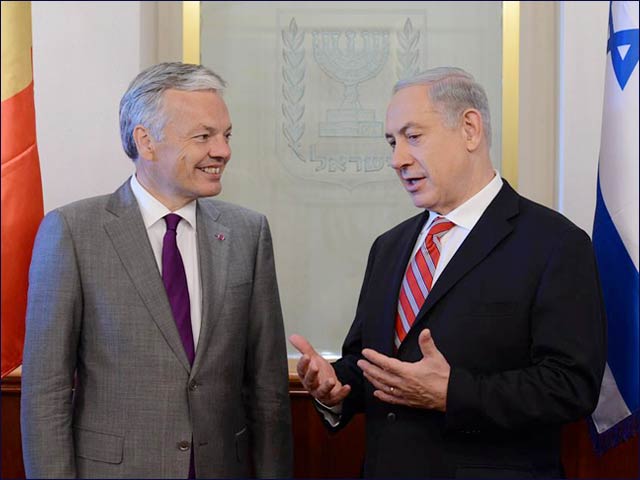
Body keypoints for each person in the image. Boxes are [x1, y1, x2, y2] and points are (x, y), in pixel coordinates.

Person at [290, 66, 606, 478]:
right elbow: (370, 361)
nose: (397, 159)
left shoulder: (555, 244)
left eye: (413, 136)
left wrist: (453, 393)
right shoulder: (389, 247)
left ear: (470, 129)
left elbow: (571, 387)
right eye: (392, 142)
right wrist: (335, 387)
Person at [21, 62, 292, 478]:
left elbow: (267, 391)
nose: (223, 150)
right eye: (204, 136)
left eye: (226, 135)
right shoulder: (73, 233)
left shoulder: (247, 233)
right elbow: (46, 393)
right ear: (146, 142)